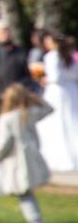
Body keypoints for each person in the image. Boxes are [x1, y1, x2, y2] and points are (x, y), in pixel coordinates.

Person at [0, 84, 53, 223]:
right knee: (25, 190)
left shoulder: (6, 118)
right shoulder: (29, 113)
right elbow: (49, 109)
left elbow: (4, 142)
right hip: (32, 156)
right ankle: (35, 220)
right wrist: (36, 99)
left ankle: (35, 222)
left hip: (16, 160)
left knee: (23, 192)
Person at [36, 30, 78, 171]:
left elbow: (54, 77)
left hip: (56, 92)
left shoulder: (52, 56)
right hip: (71, 91)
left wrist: (42, 76)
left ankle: (57, 157)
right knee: (71, 121)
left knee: (55, 123)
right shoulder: (71, 56)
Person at [0, 18, 32, 95]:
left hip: (17, 95)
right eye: (2, 31)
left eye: (7, 30)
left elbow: (26, 74)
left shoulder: (19, 51)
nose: (6, 33)